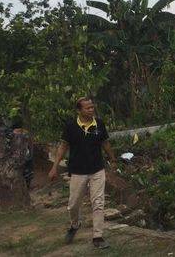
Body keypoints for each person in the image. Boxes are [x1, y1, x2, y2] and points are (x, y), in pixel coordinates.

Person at [48, 97, 117, 249]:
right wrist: (54, 167)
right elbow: (63, 146)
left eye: (92, 107)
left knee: (98, 203)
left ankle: (97, 237)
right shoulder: (71, 126)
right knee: (73, 204)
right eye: (88, 108)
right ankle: (75, 224)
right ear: (79, 110)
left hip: (97, 169)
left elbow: (105, 142)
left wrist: (112, 159)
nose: (91, 110)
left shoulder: (99, 123)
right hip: (78, 171)